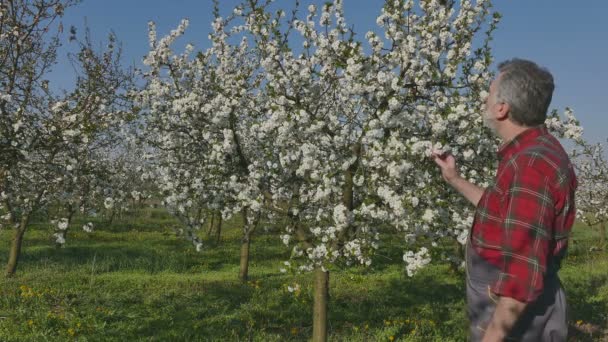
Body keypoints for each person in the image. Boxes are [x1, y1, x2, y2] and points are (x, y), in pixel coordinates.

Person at [432, 59, 577, 341]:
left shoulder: (530, 168)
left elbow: (521, 280)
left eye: (490, 91)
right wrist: (455, 179)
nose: (484, 97)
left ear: (502, 108)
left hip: (516, 323)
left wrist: (491, 337)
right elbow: (504, 211)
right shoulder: (533, 151)